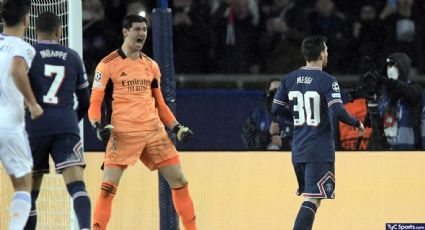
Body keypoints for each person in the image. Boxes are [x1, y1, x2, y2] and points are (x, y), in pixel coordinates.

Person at [88, 15, 197, 230]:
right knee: (107, 189)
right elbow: (95, 102)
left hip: (153, 131)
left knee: (180, 181)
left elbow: (160, 104)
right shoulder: (107, 65)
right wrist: (97, 127)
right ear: (125, 32)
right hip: (123, 132)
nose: (142, 34)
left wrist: (177, 127)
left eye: (144, 30)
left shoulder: (151, 65)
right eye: (137, 29)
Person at [272, 35, 364, 229]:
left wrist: (299, 115)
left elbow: (276, 109)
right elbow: (338, 111)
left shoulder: (288, 79)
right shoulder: (327, 80)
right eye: (327, 50)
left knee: (312, 198)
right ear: (322, 54)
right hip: (318, 150)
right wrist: (357, 122)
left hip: (298, 149)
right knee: (313, 200)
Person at [23, 12, 91, 230]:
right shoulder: (73, 56)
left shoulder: (27, 54)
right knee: (77, 186)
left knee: (29, 193)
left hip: (35, 127)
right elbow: (86, 102)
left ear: (34, 31)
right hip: (66, 125)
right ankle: (85, 228)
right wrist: (71, 120)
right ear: (59, 31)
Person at [0, 0, 43, 229]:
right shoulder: (23, 47)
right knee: (23, 187)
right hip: (8, 126)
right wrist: (32, 103)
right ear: (27, 21)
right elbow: (17, 68)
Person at [371, 52, 423, 150]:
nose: (390, 69)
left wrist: (389, 82)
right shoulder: (382, 95)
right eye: (388, 66)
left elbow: (409, 92)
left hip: (411, 154)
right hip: (388, 154)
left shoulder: (414, 90)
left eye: (394, 65)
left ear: (403, 68)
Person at [242, 78, 292, 150]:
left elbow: (304, 143)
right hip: (261, 159)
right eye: (274, 92)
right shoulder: (257, 116)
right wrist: (267, 134)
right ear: (267, 94)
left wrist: (284, 144)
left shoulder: (295, 116)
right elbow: (249, 142)